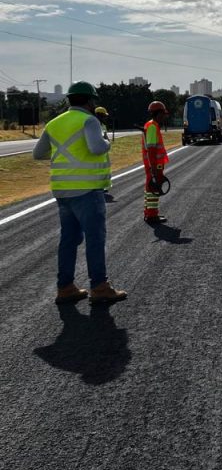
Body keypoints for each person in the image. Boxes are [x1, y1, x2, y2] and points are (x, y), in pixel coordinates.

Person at [32, 81, 126, 305]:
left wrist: (64, 157)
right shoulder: (89, 120)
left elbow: (38, 154)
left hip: (62, 191)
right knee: (95, 239)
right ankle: (100, 287)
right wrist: (106, 141)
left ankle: (65, 287)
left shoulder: (54, 123)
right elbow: (97, 148)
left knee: (68, 239)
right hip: (86, 190)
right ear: (89, 101)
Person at [142, 101, 170, 223]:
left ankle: (148, 213)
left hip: (153, 164)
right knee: (154, 188)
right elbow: (152, 149)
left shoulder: (150, 125)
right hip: (154, 164)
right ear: (158, 113)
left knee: (150, 189)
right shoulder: (152, 126)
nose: (165, 116)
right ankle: (152, 215)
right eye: (163, 114)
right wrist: (153, 168)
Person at [94, 106, 115, 200]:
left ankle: (103, 186)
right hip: (98, 151)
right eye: (104, 116)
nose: (105, 118)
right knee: (98, 169)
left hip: (104, 150)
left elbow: (106, 136)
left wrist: (108, 142)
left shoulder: (103, 125)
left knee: (105, 169)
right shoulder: (93, 124)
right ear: (98, 115)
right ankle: (97, 187)